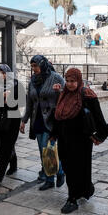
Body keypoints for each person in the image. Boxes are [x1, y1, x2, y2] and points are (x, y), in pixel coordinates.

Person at [51, 68, 108, 214]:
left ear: (79, 80)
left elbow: (98, 117)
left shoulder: (87, 95)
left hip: (81, 140)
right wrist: (54, 134)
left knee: (77, 168)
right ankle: (86, 189)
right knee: (68, 167)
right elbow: (59, 117)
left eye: (73, 81)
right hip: (64, 138)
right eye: (68, 81)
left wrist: (100, 136)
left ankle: (72, 199)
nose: (70, 84)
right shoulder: (63, 94)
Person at [20, 55, 65, 191]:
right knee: (43, 151)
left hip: (52, 120)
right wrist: (24, 120)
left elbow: (66, 94)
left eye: (36, 66)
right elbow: (29, 102)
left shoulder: (55, 77)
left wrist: (60, 91)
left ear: (43, 65)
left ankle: (59, 172)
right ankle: (50, 178)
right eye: (32, 66)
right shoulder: (32, 81)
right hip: (37, 120)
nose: (34, 69)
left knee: (48, 150)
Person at [0, 64, 22, 183]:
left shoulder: (16, 84)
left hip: (13, 119)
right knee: (3, 144)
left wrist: (7, 100)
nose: (1, 75)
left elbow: (20, 100)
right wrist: (2, 96)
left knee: (8, 146)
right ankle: (13, 165)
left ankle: (0, 175)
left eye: (3, 73)